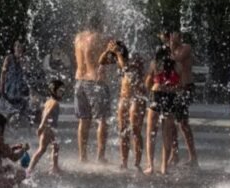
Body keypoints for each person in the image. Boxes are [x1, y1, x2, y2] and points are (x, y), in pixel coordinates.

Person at [103, 40, 146, 170]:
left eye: (116, 50)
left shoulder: (134, 58)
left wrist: (116, 53)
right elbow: (101, 61)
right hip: (124, 98)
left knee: (135, 130)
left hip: (136, 98)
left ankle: (137, 163)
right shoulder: (118, 59)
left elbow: (125, 68)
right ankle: (124, 162)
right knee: (123, 130)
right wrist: (107, 50)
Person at [73, 14, 111, 163]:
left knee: (84, 120)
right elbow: (111, 57)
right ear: (99, 25)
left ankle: (83, 157)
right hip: (94, 82)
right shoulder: (99, 38)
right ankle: (100, 157)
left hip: (79, 82)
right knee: (101, 120)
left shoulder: (78, 38)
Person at [163, 30, 199, 167]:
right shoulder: (169, 49)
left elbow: (177, 59)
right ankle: (175, 154)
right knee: (172, 123)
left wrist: (171, 46)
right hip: (174, 90)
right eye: (170, 36)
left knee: (183, 124)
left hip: (185, 88)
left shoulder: (186, 48)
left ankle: (193, 157)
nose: (172, 37)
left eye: (174, 35)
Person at [143, 46, 179, 175]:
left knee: (151, 133)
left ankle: (150, 166)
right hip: (170, 96)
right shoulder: (176, 66)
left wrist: (150, 87)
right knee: (167, 134)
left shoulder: (155, 64)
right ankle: (164, 167)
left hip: (156, 93)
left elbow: (147, 82)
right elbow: (180, 84)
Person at [27, 79, 64, 176]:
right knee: (42, 149)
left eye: (62, 91)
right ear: (54, 91)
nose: (62, 93)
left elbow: (43, 112)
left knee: (56, 146)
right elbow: (47, 114)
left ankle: (54, 167)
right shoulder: (54, 103)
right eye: (60, 91)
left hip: (49, 129)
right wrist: (41, 126)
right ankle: (30, 169)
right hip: (47, 129)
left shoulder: (49, 101)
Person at [0, 40, 32, 126]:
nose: (18, 49)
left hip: (21, 86)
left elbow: (28, 72)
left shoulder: (25, 59)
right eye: (17, 46)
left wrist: (23, 63)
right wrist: (1, 85)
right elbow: (3, 73)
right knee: (9, 107)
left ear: (22, 49)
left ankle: (20, 123)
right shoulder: (9, 58)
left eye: (20, 47)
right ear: (14, 48)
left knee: (22, 107)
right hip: (10, 86)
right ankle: (7, 123)